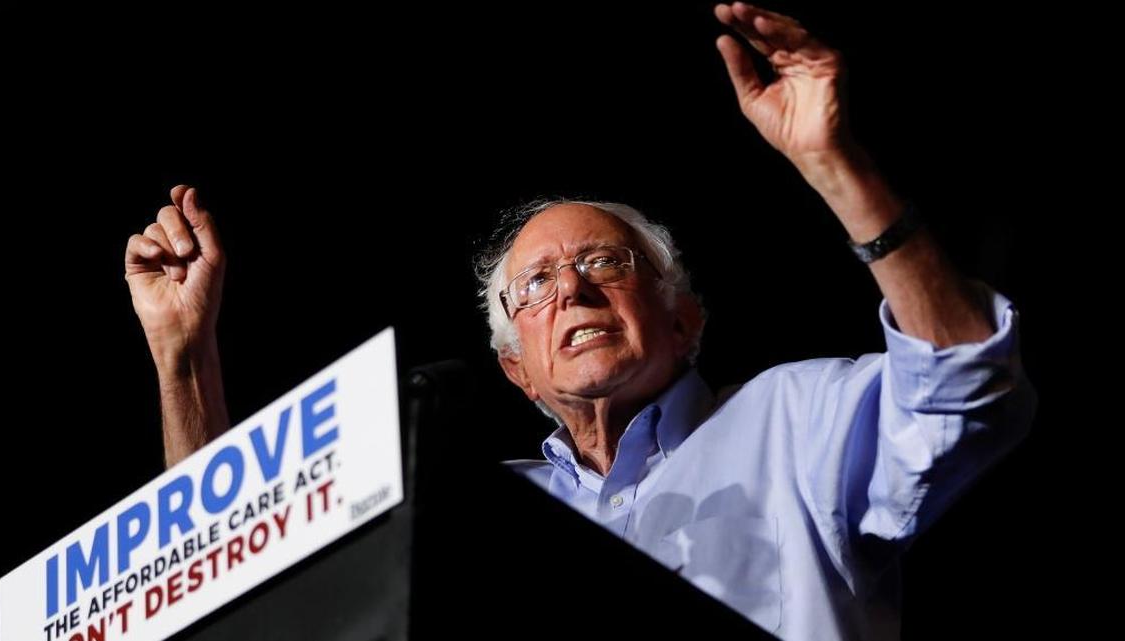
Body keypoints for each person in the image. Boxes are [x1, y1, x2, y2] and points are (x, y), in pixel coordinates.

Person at [123, 4, 1037, 639]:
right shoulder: (476, 517)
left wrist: (837, 165)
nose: (570, 288)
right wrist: (183, 357)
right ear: (516, 369)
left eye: (605, 263)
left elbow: (965, 382)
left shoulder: (795, 417)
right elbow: (232, 580)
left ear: (684, 320)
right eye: (535, 285)